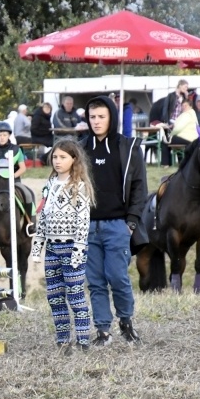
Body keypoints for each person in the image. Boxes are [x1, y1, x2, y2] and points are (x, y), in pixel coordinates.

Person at [80, 96, 148, 346]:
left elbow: (140, 187)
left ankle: (126, 323)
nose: (96, 121)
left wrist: (130, 223)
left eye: (101, 116)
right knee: (95, 281)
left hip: (118, 225)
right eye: (92, 117)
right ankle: (103, 331)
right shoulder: (81, 148)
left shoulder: (128, 147)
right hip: (87, 227)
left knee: (118, 277)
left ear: (111, 117)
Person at [31, 139, 95, 353]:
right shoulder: (49, 185)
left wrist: (78, 249)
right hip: (52, 248)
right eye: (55, 157)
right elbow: (43, 217)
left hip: (71, 248)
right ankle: (63, 340)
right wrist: (37, 247)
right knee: (55, 296)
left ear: (74, 159)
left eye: (63, 157)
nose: (57, 161)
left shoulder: (79, 187)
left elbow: (83, 222)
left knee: (76, 295)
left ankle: (83, 341)